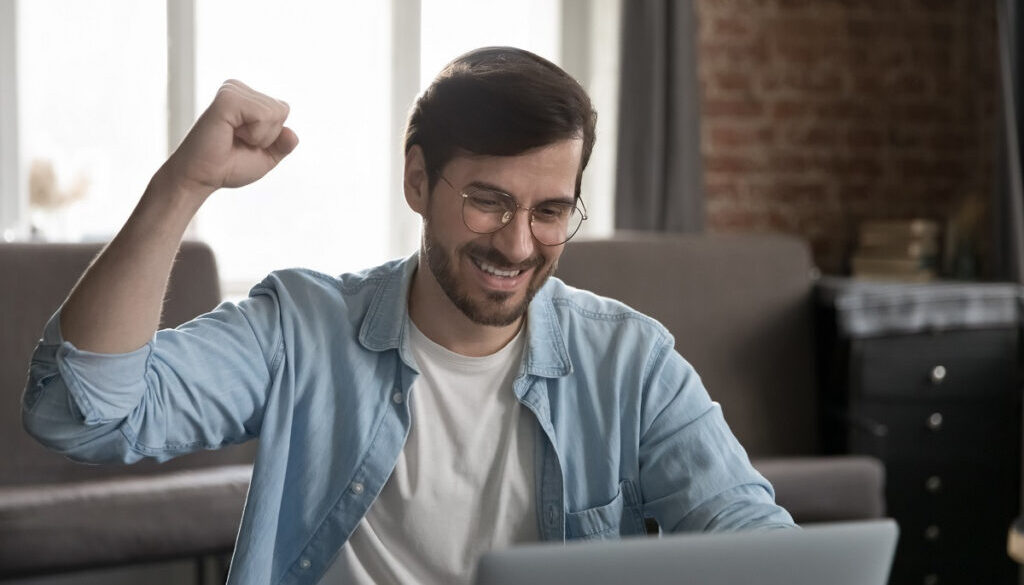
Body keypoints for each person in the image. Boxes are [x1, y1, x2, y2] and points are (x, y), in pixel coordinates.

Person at [22, 47, 794, 585]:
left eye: (551, 210)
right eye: (488, 200)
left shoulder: (632, 362)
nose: (518, 244)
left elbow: (747, 533)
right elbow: (82, 412)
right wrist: (183, 184)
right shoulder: (301, 328)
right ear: (418, 181)